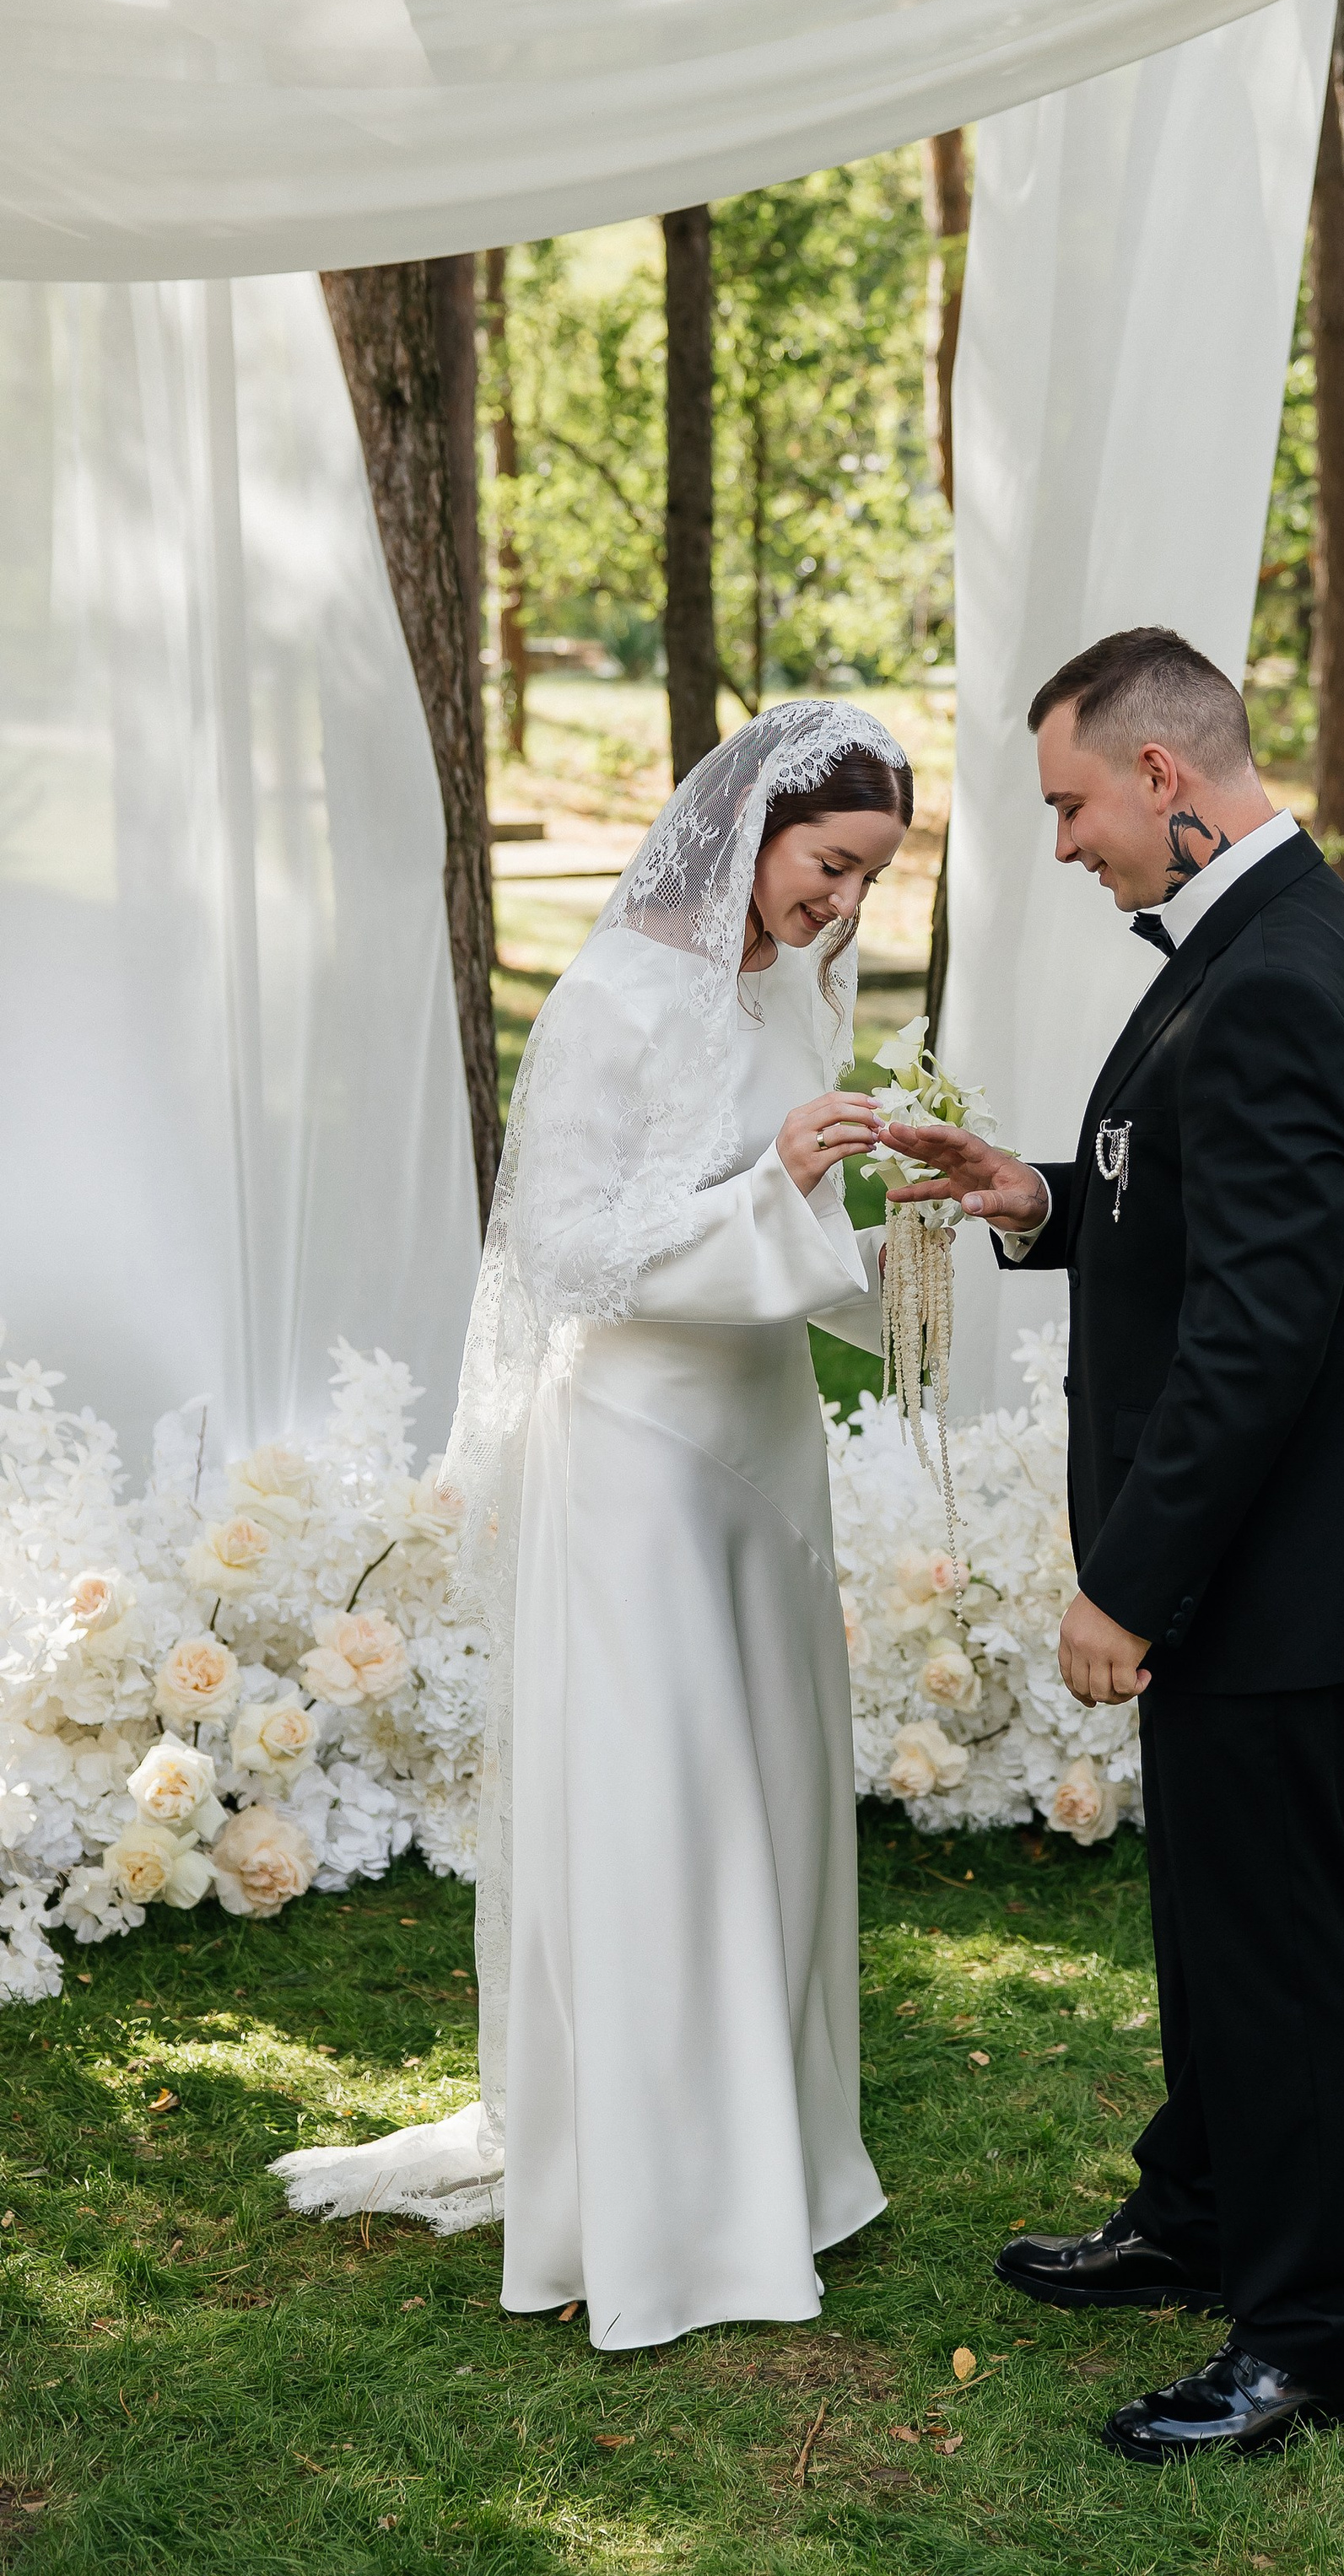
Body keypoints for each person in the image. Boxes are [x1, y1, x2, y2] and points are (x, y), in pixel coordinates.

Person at [884, 627, 1344, 2462]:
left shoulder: (1286, 968)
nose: (1063, 843)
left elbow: (1260, 1328)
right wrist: (1044, 1200)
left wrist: (1125, 1578)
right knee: (1210, 1920)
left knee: (1277, 1950)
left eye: (1071, 802)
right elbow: (1196, 1203)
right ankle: (1201, 2213)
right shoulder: (1257, 937)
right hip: (1261, 1544)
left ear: (1161, 776)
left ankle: (1303, 2336)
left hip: (1279, 1560)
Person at [277, 703, 905, 2350]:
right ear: (754, 829)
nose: (838, 907)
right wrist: (765, 1181)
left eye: (865, 883)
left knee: (768, 1800)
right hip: (632, 1450)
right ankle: (661, 2206)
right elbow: (564, 1252)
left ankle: (782, 2161)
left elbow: (791, 1223)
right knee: (666, 1807)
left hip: (759, 1446)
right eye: (828, 868)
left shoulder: (791, 990)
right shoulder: (613, 994)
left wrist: (880, 1193)